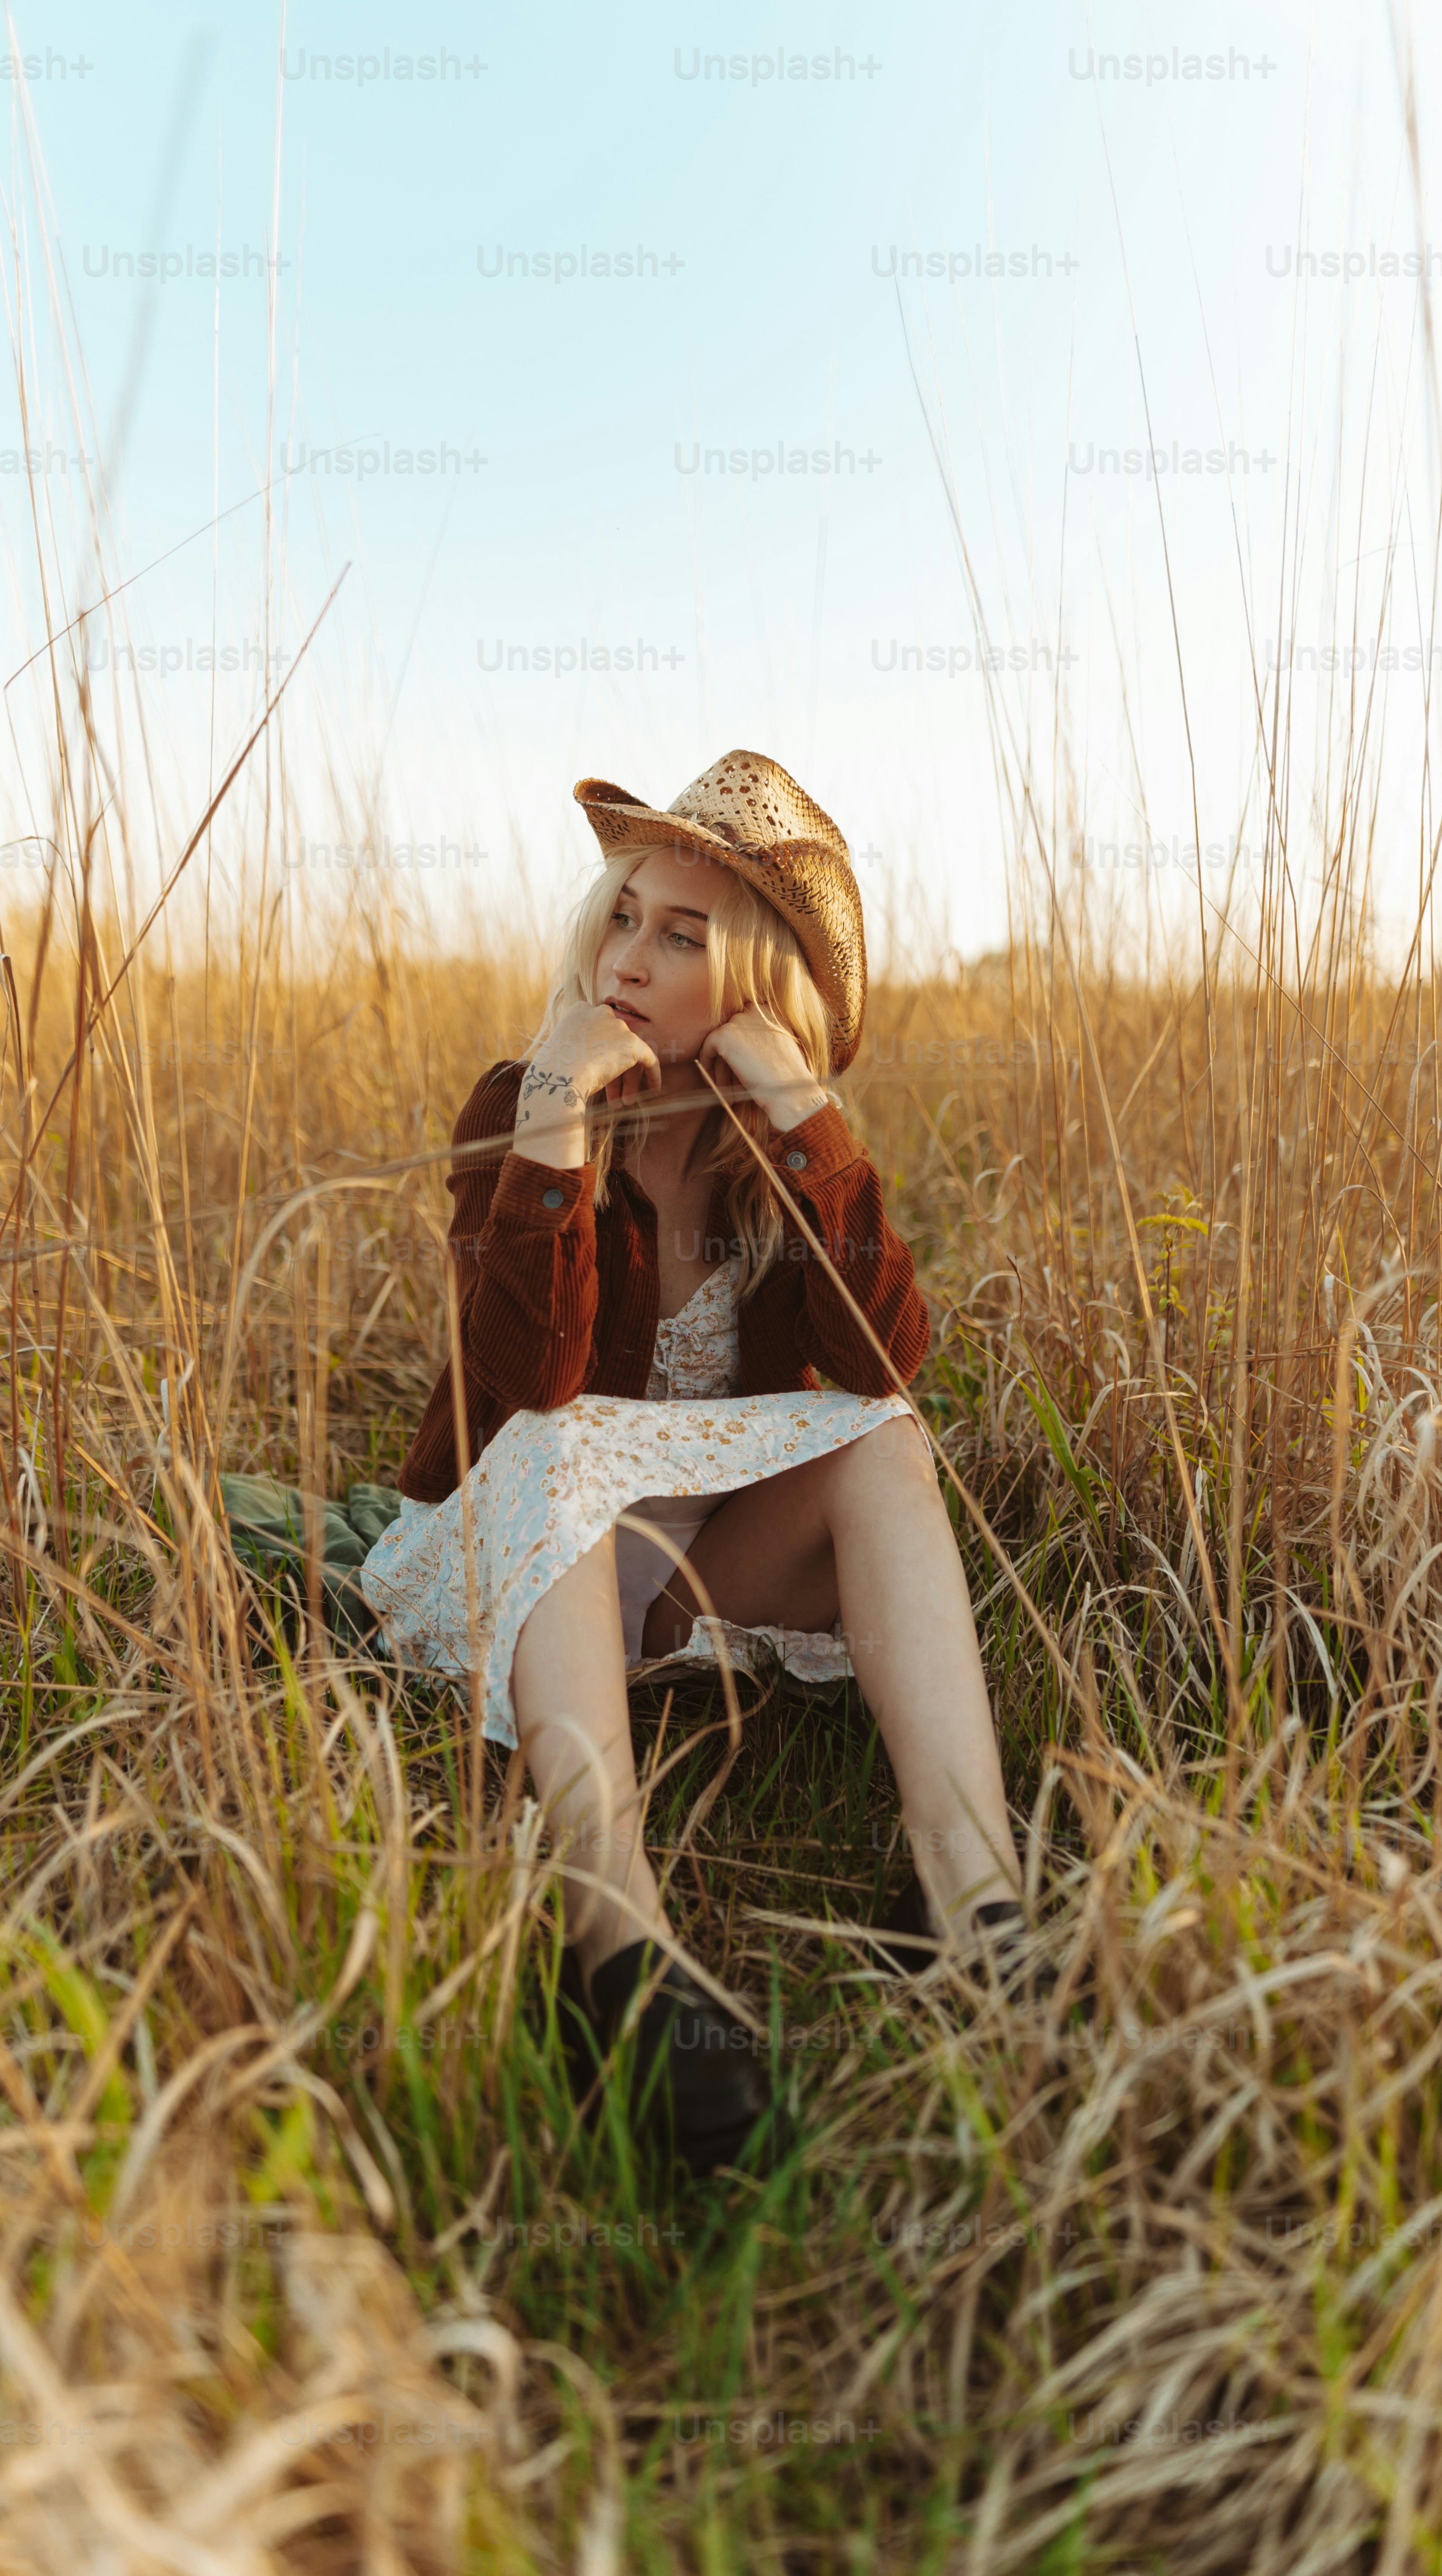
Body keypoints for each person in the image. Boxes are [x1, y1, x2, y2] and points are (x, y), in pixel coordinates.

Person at [361, 751, 1026, 2173]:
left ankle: (974, 1903)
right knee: (562, 1435)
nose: (630, 956)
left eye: (681, 934)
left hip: (690, 1580)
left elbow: (881, 1359)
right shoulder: (523, 1097)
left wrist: (805, 1122)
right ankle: (623, 1957)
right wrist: (554, 1128)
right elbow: (522, 1385)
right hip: (527, 1563)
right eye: (624, 914)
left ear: (754, 981)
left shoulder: (769, 1144)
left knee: (886, 1444)